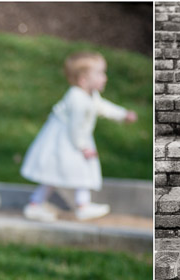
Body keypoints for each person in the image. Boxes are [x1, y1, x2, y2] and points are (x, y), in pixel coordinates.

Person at [19, 51, 137, 222]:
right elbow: (75, 127)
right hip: (65, 143)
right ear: (83, 80)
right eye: (100, 74)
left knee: (74, 172)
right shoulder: (76, 98)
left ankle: (73, 205)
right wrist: (83, 147)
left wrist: (122, 114)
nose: (105, 78)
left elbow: (102, 107)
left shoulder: (89, 94)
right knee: (61, 173)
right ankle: (40, 205)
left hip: (72, 141)